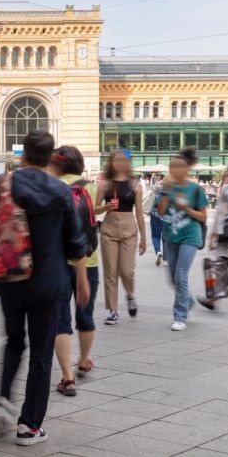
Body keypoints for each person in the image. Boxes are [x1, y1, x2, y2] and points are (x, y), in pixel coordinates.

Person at [0, 130, 88, 446]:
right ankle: (30, 426)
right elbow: (76, 241)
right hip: (49, 283)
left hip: (9, 277)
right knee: (41, 351)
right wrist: (80, 278)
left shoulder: (1, 183)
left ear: (23, 153)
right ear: (50, 156)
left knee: (13, 340)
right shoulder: (61, 191)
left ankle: (4, 395)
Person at [49, 146, 99, 397]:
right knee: (85, 313)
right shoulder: (89, 186)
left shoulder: (51, 186)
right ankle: (83, 360)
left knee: (60, 319)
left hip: (58, 261)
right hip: (88, 260)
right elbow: (93, 216)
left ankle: (67, 378)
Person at [158, 148, 207, 331]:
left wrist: (185, 208)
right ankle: (188, 301)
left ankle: (180, 316)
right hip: (170, 235)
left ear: (187, 169)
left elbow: (202, 217)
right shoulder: (167, 187)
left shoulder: (195, 189)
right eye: (173, 166)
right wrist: (165, 191)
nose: (175, 169)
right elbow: (161, 212)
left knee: (181, 274)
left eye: (180, 166)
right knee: (172, 278)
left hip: (190, 236)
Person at [96, 151, 147, 325]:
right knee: (110, 271)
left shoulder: (135, 184)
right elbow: (93, 209)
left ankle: (131, 295)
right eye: (116, 160)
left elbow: (139, 214)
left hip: (129, 227)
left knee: (127, 270)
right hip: (109, 226)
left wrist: (144, 238)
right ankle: (113, 310)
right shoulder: (105, 184)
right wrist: (105, 207)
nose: (120, 163)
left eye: (124, 160)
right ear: (111, 163)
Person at [199, 161, 228, 310]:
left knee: (217, 265)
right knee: (222, 266)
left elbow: (221, 214)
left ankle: (214, 297)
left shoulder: (227, 190)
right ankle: (214, 298)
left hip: (227, 234)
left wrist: (213, 236)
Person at [150, 183, 165, 266]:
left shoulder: (157, 188)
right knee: (165, 238)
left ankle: (158, 251)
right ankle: (166, 259)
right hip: (166, 217)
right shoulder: (171, 189)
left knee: (155, 236)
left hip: (155, 216)